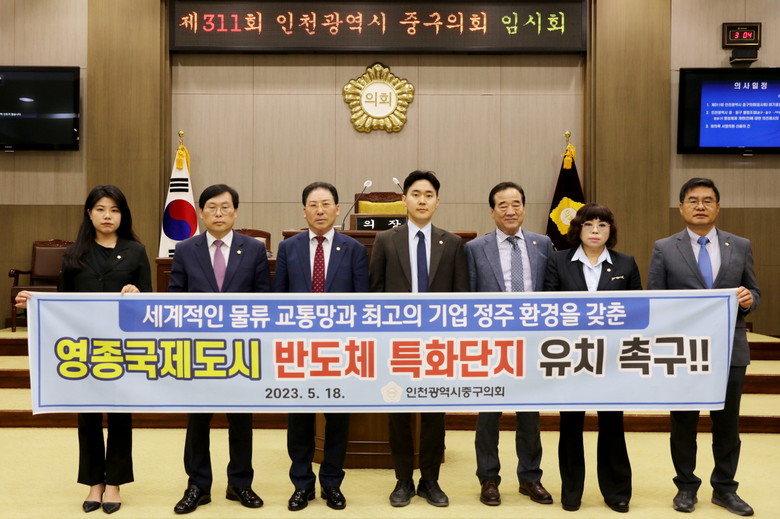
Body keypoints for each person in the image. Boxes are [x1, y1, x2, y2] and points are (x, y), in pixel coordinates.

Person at [16, 185, 152, 514]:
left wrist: (137, 294)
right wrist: (33, 303)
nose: (108, 216)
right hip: (84, 348)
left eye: (115, 210)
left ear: (123, 215)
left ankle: (115, 483)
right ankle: (94, 482)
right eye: (101, 209)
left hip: (121, 348)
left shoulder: (136, 251)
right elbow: (61, 303)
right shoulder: (74, 253)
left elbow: (149, 302)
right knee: (87, 416)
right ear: (89, 213)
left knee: (120, 416)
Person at [648, 177, 759, 517]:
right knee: (684, 423)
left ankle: (725, 488)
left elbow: (754, 291)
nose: (700, 206)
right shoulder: (664, 248)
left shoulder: (740, 245)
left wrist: (748, 299)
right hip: (684, 351)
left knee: (727, 424)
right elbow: (654, 299)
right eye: (693, 200)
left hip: (729, 350)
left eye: (707, 200)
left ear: (718, 207)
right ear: (681, 208)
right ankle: (686, 486)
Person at [169, 184, 271, 514]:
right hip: (199, 351)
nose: (218, 213)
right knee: (198, 421)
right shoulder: (185, 249)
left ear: (235, 212)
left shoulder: (253, 249)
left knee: (241, 420)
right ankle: (198, 485)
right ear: (201, 212)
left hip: (241, 350)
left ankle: (240, 483)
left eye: (225, 207)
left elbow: (263, 300)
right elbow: (175, 298)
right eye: (211, 207)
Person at [369, 170, 468, 507]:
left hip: (438, 345)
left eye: (428, 195)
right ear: (404, 200)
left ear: (438, 202)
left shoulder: (452, 243)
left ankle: (430, 480)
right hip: (398, 344)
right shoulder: (386, 240)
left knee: (434, 415)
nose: (422, 201)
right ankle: (402, 480)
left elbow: (461, 297)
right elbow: (375, 292)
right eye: (415, 194)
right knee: (398, 412)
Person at [274, 181, 369, 511]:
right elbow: (279, 299)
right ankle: (302, 484)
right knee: (299, 419)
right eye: (313, 205)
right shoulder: (289, 248)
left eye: (326, 204)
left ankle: (331, 482)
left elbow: (362, 302)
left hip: (339, 349)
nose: (319, 210)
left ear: (337, 209)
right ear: (304, 211)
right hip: (299, 349)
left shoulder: (353, 249)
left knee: (337, 419)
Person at [544, 203, 640, 513]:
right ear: (578, 229)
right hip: (570, 357)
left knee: (612, 423)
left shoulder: (626, 263)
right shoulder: (558, 261)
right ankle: (572, 491)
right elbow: (547, 309)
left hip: (612, 359)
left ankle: (617, 491)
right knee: (570, 424)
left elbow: (638, 312)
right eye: (589, 224)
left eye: (602, 225)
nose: (595, 230)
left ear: (611, 231)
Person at [464, 181, 554, 507]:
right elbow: (468, 297)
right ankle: (488, 478)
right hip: (491, 345)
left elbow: (551, 292)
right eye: (502, 205)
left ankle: (530, 477)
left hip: (531, 344)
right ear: (492, 211)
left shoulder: (543, 244)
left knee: (530, 415)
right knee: (488, 416)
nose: (510, 210)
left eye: (516, 204)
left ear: (524, 208)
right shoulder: (475, 248)